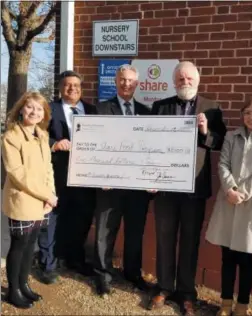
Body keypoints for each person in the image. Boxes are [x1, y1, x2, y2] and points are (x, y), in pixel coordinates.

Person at [148, 61, 227, 316]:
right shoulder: (160, 107)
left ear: (197, 80)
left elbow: (220, 142)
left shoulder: (212, 107)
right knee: (165, 238)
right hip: (166, 188)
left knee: (190, 241)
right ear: (174, 82)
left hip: (194, 187)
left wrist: (205, 131)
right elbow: (150, 144)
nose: (185, 83)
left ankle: (186, 292)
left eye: (189, 78)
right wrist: (150, 177)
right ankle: (164, 287)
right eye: (180, 79)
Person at [205, 95, 252, 316]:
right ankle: (225, 303)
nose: (251, 117)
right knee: (227, 257)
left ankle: (242, 305)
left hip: (250, 205)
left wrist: (242, 193)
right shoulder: (230, 137)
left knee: (246, 259)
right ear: (242, 115)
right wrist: (230, 190)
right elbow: (223, 164)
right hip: (228, 202)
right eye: (247, 112)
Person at [93, 64, 151, 296]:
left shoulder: (147, 112)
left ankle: (132, 273)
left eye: (130, 81)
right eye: (122, 80)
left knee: (135, 231)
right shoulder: (101, 109)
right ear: (115, 82)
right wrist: (99, 175)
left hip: (137, 187)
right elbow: (95, 145)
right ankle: (103, 275)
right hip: (109, 185)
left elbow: (152, 149)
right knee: (105, 232)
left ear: (137, 84)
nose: (126, 84)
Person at [37, 70, 97, 284]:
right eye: (67, 85)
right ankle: (47, 264)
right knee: (51, 219)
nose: (72, 88)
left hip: (85, 177)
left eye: (75, 85)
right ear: (60, 88)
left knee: (81, 218)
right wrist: (54, 143)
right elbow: (37, 134)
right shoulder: (49, 110)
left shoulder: (92, 110)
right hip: (57, 176)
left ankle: (75, 259)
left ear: (82, 87)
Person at [2, 92, 57, 309]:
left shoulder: (42, 135)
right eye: (30, 107)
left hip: (42, 201)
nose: (34, 112)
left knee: (30, 245)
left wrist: (50, 195)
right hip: (22, 200)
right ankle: (12, 290)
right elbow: (18, 174)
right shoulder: (11, 137)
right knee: (19, 245)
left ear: (44, 113)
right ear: (21, 109)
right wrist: (46, 194)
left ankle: (23, 284)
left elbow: (48, 169)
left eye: (39, 109)